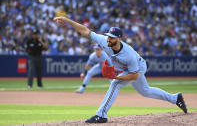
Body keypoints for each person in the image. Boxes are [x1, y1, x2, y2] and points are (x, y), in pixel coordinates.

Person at [53, 16, 187, 123]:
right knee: (145, 91)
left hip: (138, 67)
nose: (109, 39)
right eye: (108, 36)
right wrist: (67, 21)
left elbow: (134, 76)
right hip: (127, 69)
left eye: (112, 37)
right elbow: (85, 31)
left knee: (115, 84)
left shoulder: (129, 55)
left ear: (119, 38)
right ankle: (175, 98)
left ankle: (101, 115)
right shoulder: (104, 40)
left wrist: (116, 77)